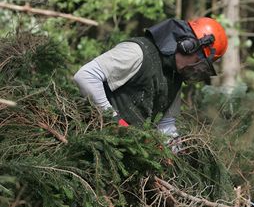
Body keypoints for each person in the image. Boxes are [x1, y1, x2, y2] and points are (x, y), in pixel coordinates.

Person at [74, 17, 228, 141]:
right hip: (90, 134)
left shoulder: (175, 76)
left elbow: (166, 124)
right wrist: (113, 120)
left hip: (126, 151)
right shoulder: (138, 52)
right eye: (198, 61)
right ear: (188, 45)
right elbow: (86, 76)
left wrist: (175, 148)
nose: (196, 68)